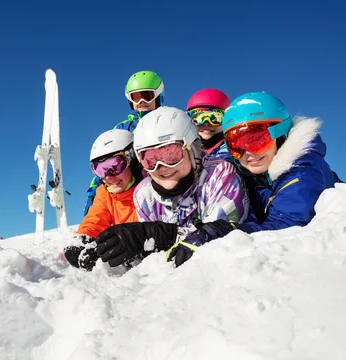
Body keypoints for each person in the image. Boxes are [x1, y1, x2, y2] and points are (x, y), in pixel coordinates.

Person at [94, 106, 249, 267]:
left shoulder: (219, 175)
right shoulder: (144, 195)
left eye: (170, 154)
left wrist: (169, 235)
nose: (161, 167)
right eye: (150, 159)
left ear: (193, 149)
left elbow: (225, 241)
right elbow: (154, 262)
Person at [219, 91, 346, 233]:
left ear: (280, 133)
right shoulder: (252, 174)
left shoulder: (303, 171)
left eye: (257, 140)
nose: (248, 153)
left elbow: (283, 226)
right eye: (236, 146)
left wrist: (227, 231)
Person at [83, 70, 165, 215]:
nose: (141, 102)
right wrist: (93, 194)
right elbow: (107, 159)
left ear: (158, 96)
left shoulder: (168, 121)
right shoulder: (123, 129)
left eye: (147, 96)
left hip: (161, 181)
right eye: (136, 98)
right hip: (131, 185)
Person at [64, 129, 143, 271]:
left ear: (134, 160)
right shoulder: (104, 193)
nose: (108, 177)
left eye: (115, 166)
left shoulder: (149, 189)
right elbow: (96, 219)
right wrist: (84, 239)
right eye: (100, 170)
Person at [186, 88, 232, 160]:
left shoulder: (231, 149)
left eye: (215, 118)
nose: (206, 123)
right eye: (199, 118)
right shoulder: (186, 148)